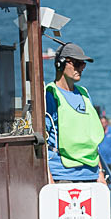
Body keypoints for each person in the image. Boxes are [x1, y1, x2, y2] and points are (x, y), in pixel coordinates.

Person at [45, 42, 105, 184]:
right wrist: (49, 178)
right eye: (77, 63)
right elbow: (42, 141)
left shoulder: (84, 93)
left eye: (83, 64)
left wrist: (100, 173)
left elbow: (92, 139)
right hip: (63, 175)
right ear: (60, 63)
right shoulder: (50, 94)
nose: (82, 68)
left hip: (91, 174)